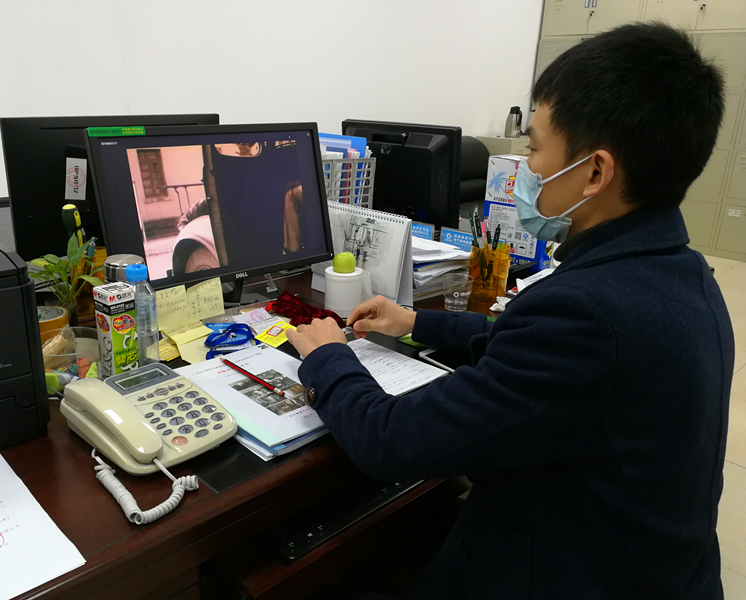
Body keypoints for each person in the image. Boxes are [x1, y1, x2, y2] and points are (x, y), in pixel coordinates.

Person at [287, 23, 734, 599]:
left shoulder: (585, 314)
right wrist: (417, 321)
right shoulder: (681, 272)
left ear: (595, 172)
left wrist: (328, 358)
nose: (524, 167)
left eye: (535, 149)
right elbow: (524, 336)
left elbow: (390, 441)